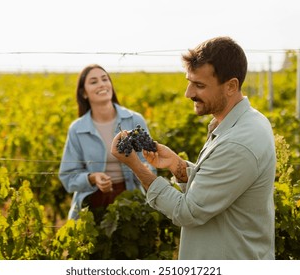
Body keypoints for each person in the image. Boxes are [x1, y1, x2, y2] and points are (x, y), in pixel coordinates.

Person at [111, 37, 276, 260]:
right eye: (189, 81)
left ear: (231, 86)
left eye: (199, 85)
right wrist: (176, 166)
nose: (188, 93)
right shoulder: (244, 123)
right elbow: (214, 185)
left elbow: (187, 212)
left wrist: (136, 166)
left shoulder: (239, 142)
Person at [59, 64, 156, 221]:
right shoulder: (77, 129)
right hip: (92, 205)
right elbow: (68, 178)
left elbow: (150, 161)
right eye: (94, 81)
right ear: (84, 93)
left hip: (133, 200)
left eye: (105, 79)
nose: (102, 84)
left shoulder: (134, 120)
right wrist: (92, 178)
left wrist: (144, 169)